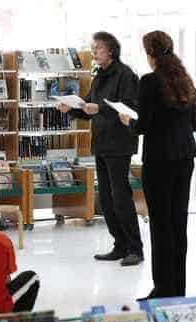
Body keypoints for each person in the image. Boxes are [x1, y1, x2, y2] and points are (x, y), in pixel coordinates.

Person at [117, 31, 196, 299]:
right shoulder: (184, 80)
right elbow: (194, 124)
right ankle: (178, 288)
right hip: (185, 158)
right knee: (178, 225)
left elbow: (145, 125)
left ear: (150, 53)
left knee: (161, 226)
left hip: (160, 161)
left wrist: (128, 121)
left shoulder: (150, 81)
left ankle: (163, 290)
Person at [58, 31, 143, 266]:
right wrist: (71, 109)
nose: (94, 52)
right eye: (93, 48)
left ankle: (135, 248)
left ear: (111, 51)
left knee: (121, 198)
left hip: (119, 143)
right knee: (105, 199)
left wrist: (100, 110)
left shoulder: (126, 75)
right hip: (102, 143)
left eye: (98, 49)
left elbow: (130, 108)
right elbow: (88, 106)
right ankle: (120, 245)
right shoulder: (99, 76)